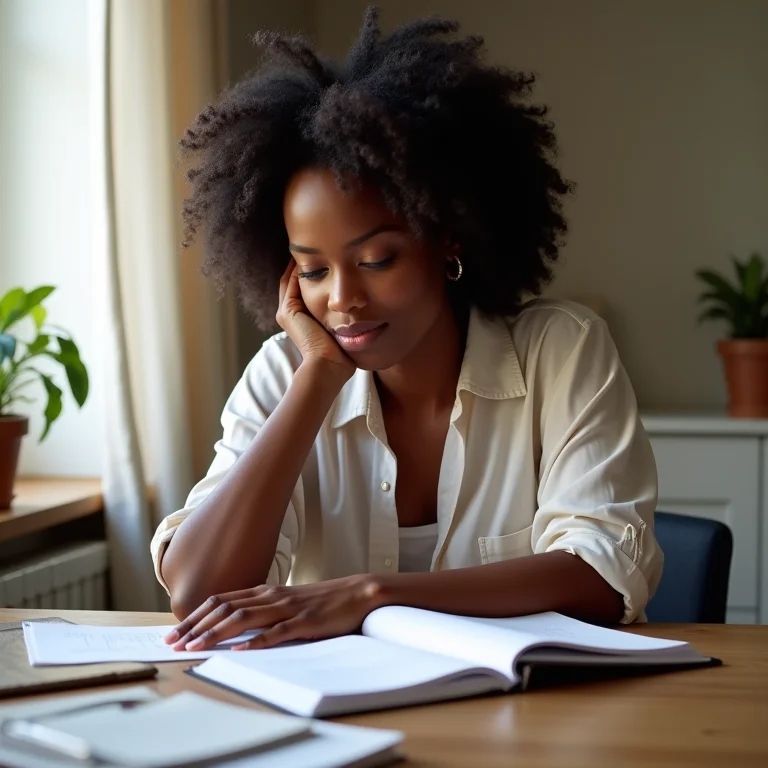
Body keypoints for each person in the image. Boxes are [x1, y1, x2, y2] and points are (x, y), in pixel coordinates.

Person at [153, 7, 662, 653]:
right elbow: (197, 596)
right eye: (312, 270)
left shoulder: (559, 352)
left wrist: (373, 593)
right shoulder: (285, 374)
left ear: (447, 239)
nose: (343, 300)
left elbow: (602, 577)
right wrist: (316, 382)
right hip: (339, 725)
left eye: (376, 260)